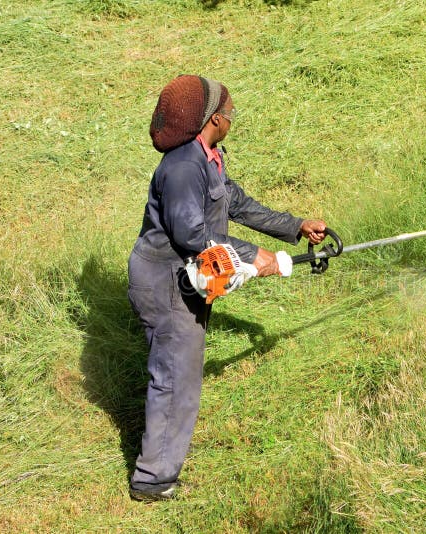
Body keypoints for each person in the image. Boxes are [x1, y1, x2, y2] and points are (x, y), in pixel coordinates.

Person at [127, 75, 327, 501]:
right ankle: (153, 479)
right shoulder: (182, 167)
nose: (234, 117)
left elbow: (237, 204)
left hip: (188, 279)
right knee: (175, 378)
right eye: (230, 112)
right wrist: (253, 256)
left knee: (178, 371)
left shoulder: (208, 157)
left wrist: (294, 227)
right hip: (166, 281)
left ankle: (158, 463)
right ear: (214, 119)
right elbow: (190, 233)